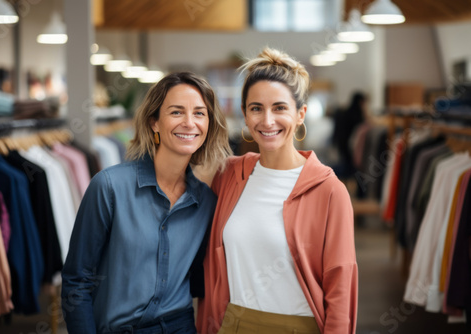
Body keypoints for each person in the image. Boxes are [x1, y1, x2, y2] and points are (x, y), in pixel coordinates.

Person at [197, 48, 358, 334]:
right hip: (232, 325)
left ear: (300, 115)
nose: (267, 121)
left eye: (280, 108)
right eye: (256, 108)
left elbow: (340, 287)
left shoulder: (329, 191)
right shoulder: (229, 175)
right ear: (245, 115)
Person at [61, 71, 232, 334]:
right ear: (154, 122)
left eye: (199, 113)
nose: (189, 122)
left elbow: (199, 281)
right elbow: (77, 282)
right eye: (176, 112)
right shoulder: (109, 187)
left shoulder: (206, 202)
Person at [331, 91, 367, 179]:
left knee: (346, 166)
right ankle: (328, 173)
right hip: (350, 146)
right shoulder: (356, 114)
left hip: (343, 144)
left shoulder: (347, 111)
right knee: (348, 168)